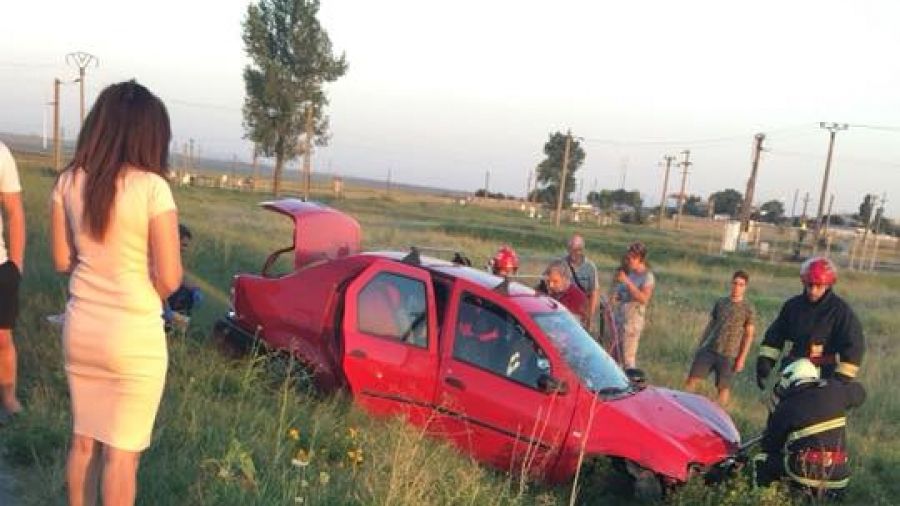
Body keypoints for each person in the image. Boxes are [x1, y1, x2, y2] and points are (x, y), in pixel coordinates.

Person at [50, 80, 182, 506]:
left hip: (82, 328)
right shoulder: (152, 188)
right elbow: (171, 278)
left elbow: (59, 259)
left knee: (84, 443)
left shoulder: (68, 181)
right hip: (133, 337)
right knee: (121, 458)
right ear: (150, 135)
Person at [755, 358, 866, 500]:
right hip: (839, 476)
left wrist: (774, 417)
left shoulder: (786, 406)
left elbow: (769, 446)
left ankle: (763, 499)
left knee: (761, 459)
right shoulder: (835, 390)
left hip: (806, 471)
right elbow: (860, 392)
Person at [756, 257, 864, 390]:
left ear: (828, 285)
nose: (813, 291)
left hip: (825, 375)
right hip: (794, 371)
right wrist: (765, 364)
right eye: (809, 285)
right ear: (804, 282)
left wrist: (840, 381)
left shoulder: (840, 312)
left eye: (818, 286)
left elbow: (854, 347)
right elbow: (775, 336)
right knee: (783, 408)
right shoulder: (793, 307)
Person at [684, 270, 756, 406]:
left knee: (723, 388)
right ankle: (685, 406)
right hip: (710, 348)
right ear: (731, 283)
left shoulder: (748, 309)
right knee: (692, 379)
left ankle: (718, 415)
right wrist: (700, 344)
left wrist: (741, 359)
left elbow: (749, 335)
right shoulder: (721, 303)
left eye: (741, 284)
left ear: (745, 287)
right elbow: (711, 325)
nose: (737, 287)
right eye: (735, 283)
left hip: (729, 354)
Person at [0, 140, 25, 418]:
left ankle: (8, 398)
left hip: (0, 264)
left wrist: (16, 264)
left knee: (3, 338)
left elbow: (15, 211)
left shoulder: (2, 153)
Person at [611, 242, 655, 369]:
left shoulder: (647, 277)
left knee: (627, 359)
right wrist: (616, 296)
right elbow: (624, 294)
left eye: (631, 258)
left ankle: (632, 383)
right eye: (627, 257)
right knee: (615, 357)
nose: (628, 261)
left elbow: (644, 298)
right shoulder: (630, 273)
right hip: (620, 321)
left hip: (632, 324)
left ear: (639, 259)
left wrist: (627, 282)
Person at [163, 224, 202, 331]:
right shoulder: (162, 256)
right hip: (155, 302)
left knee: (187, 293)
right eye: (183, 245)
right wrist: (167, 311)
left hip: (165, 299)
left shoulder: (174, 257)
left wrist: (195, 289)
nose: (185, 249)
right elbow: (158, 288)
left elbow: (180, 277)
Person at [563, 235, 600, 332]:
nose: (572, 253)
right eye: (570, 249)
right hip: (564, 311)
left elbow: (593, 293)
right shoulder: (561, 264)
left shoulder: (590, 267)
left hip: (581, 313)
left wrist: (589, 317)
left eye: (576, 250)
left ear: (582, 250)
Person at [538, 259, 589, 327]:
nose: (551, 285)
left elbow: (573, 325)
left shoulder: (577, 297)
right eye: (548, 281)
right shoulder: (542, 290)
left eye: (555, 281)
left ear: (565, 279)